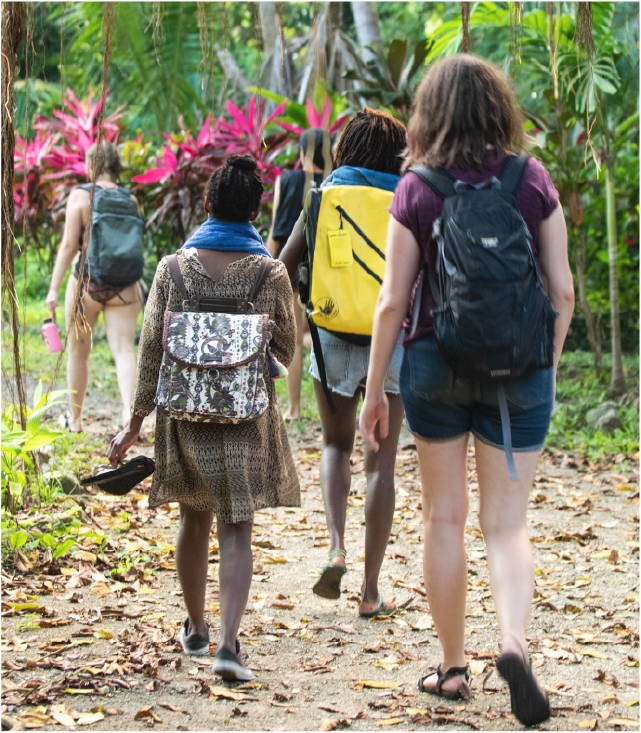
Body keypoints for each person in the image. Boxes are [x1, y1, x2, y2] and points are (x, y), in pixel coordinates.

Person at [359, 54, 574, 725]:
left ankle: (452, 668)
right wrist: (544, 363)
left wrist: (372, 394)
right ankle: (511, 642)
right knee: (506, 524)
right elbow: (561, 289)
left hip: (434, 368)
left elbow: (393, 301)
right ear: (497, 108)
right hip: (519, 370)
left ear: (429, 112)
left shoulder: (416, 188)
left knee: (442, 517)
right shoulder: (530, 178)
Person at [107, 155, 300, 682]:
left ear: (208, 205)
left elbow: (150, 350)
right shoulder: (270, 271)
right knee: (238, 526)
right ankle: (230, 646)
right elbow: (285, 343)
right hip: (244, 418)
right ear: (255, 211)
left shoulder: (173, 268)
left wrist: (134, 422)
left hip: (185, 414)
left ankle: (195, 629)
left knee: (194, 517)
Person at [280, 109, 407, 617]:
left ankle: (335, 546)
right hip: (393, 340)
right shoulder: (407, 198)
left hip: (331, 336)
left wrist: (307, 306)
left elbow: (284, 266)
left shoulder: (322, 196)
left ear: (346, 148)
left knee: (335, 445)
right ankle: (371, 591)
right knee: (382, 465)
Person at [45, 140, 143, 431]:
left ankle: (74, 420)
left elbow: (67, 247)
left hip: (87, 284)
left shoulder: (80, 196)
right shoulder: (131, 200)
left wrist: (53, 289)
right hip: (126, 288)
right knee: (124, 350)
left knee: (79, 351)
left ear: (90, 166)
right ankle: (128, 416)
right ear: (116, 167)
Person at [267, 128, 330, 419]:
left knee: (293, 340)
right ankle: (328, 405)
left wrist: (268, 267)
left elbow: (276, 232)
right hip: (324, 271)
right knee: (321, 338)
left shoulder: (286, 179)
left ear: (303, 152)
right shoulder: (332, 184)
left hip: (291, 270)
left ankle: (293, 408)